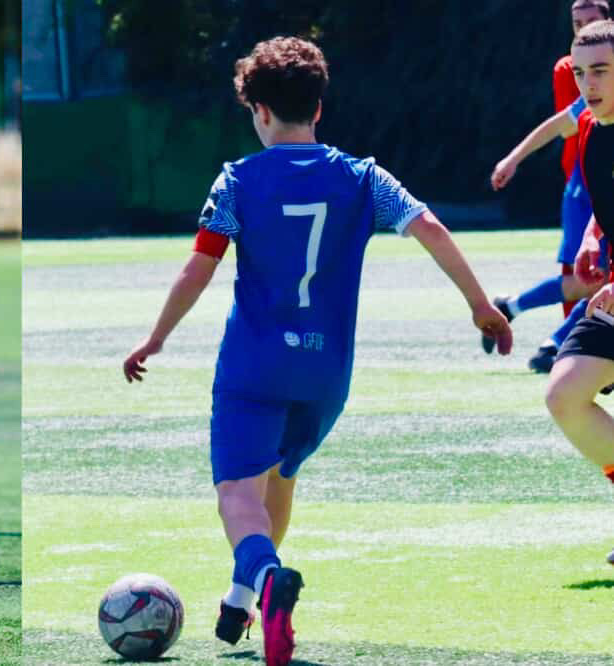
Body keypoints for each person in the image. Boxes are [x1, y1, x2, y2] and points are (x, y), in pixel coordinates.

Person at [121, 37, 513, 666]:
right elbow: (430, 227)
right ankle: (242, 597)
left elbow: (200, 266)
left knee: (237, 496)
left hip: (255, 366)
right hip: (326, 373)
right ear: (319, 108)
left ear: (260, 111)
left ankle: (265, 575)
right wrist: (479, 304)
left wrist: (157, 336)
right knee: (279, 477)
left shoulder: (238, 180)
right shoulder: (364, 177)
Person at [487, 0, 610, 373]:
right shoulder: (588, 117)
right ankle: (553, 339)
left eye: (592, 22)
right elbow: (561, 123)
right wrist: (513, 158)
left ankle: (549, 336)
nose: (584, 29)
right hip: (582, 190)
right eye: (577, 23)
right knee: (586, 281)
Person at [542, 19, 614, 568]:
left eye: (602, 71)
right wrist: (593, 234)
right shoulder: (591, 128)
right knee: (564, 394)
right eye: (582, 73)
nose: (589, 84)